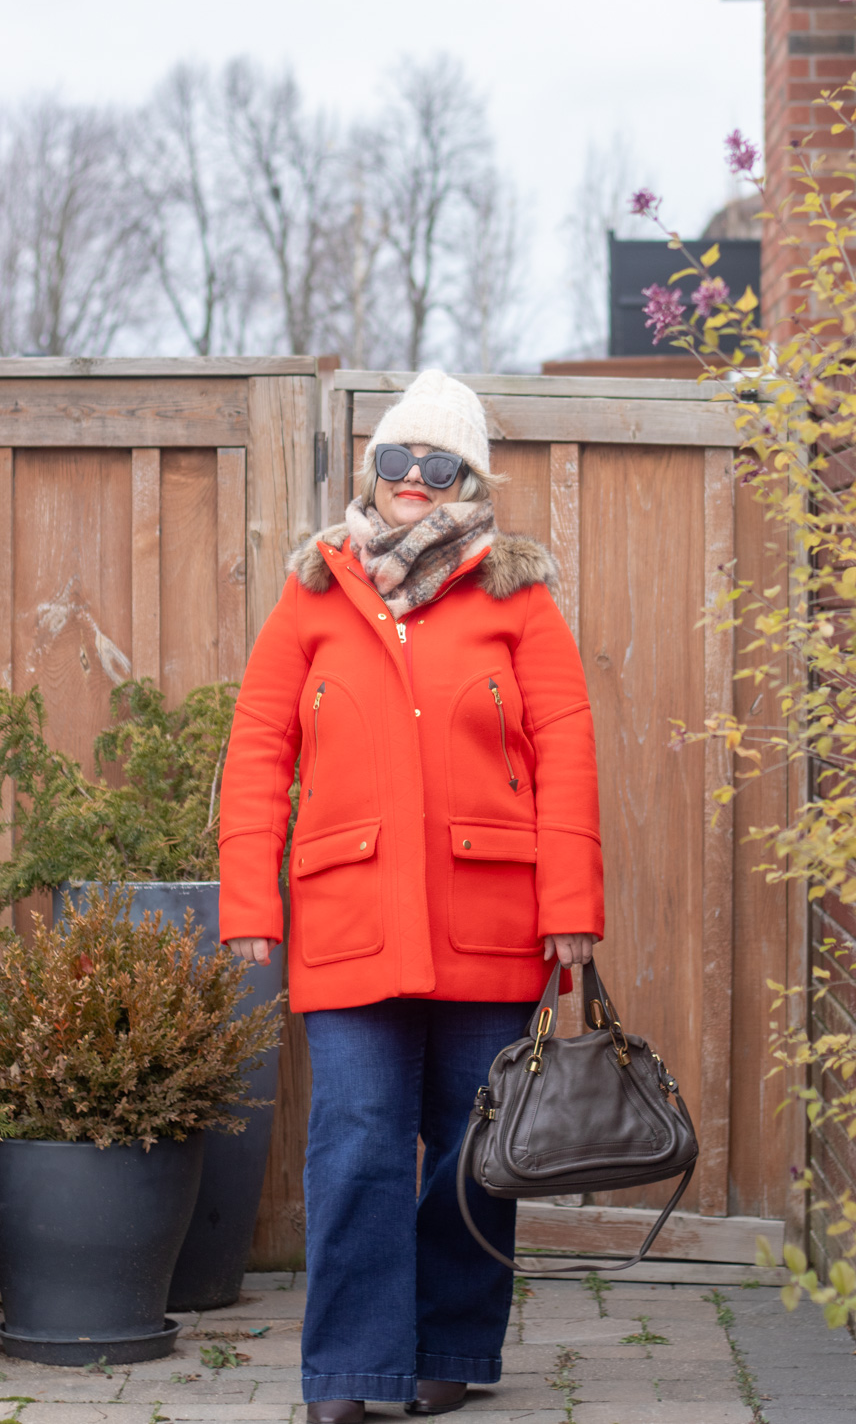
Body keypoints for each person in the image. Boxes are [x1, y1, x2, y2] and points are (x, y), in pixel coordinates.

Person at [219, 370, 604, 1423]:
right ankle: (349, 1372)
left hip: (492, 915)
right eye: (398, 460)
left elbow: (566, 749)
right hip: (348, 917)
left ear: (468, 480)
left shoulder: (514, 595)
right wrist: (249, 901)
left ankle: (454, 1348)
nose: (415, 481)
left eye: (441, 465)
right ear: (371, 469)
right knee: (354, 1140)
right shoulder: (313, 593)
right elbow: (258, 748)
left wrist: (570, 904)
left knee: (475, 1145)